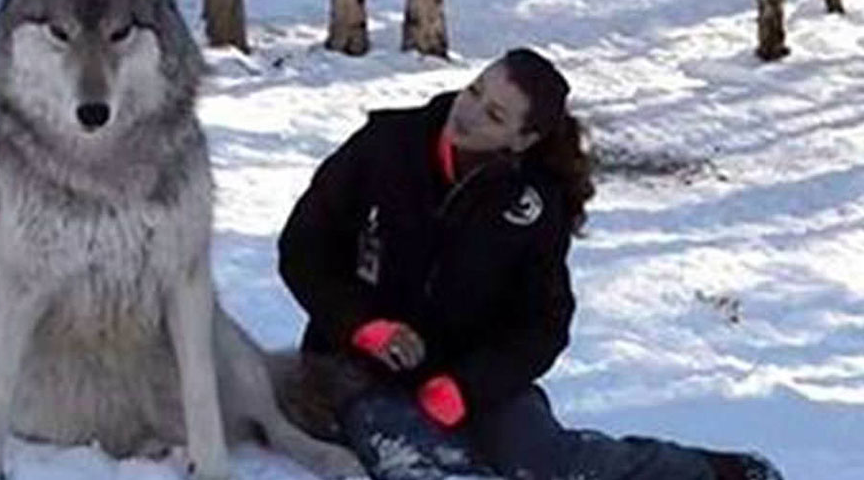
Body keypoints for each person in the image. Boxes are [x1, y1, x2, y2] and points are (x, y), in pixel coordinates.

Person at [277, 48, 784, 480]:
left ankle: (713, 471)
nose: (469, 113)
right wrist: (362, 327)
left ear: (522, 140)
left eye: (495, 115)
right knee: (421, 466)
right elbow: (302, 249)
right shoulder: (385, 146)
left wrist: (467, 387)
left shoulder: (535, 204)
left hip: (470, 377)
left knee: (550, 462)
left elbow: (543, 324)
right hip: (355, 369)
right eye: (474, 91)